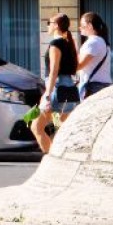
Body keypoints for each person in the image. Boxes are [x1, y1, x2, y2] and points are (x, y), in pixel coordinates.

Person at [31, 13, 79, 154]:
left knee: (37, 127)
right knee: (59, 130)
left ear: (56, 25)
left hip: (57, 90)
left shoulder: (55, 44)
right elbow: (74, 67)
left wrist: (47, 94)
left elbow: (54, 70)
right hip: (69, 90)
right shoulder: (69, 42)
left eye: (49, 22)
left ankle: (52, 160)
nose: (47, 25)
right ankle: (59, 158)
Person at [77, 11, 112, 100]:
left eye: (82, 24)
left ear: (90, 26)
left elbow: (80, 65)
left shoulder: (93, 42)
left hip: (93, 86)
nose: (80, 27)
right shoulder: (102, 41)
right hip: (102, 84)